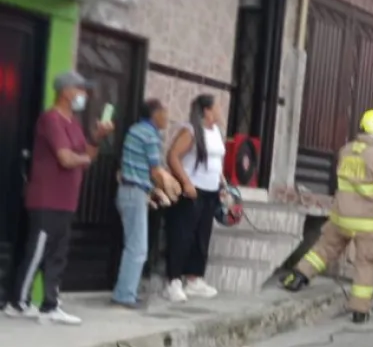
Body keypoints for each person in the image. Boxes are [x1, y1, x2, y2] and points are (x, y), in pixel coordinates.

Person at [281, 110, 373, 323]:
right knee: (367, 264)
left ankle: (298, 277)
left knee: (323, 249)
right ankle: (360, 311)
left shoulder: (346, 150)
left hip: (341, 216)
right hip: (369, 222)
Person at [2, 71, 113, 324]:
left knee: (58, 254)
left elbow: (87, 154)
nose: (84, 95)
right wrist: (84, 159)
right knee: (37, 252)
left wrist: (98, 137)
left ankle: (50, 304)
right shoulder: (51, 119)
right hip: (46, 199)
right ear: (66, 91)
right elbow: (65, 158)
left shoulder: (73, 122)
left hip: (66, 200)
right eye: (81, 89)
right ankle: (18, 303)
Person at [112, 99, 180, 308]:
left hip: (128, 191)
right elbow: (155, 171)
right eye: (165, 113)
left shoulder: (135, 130)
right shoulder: (151, 136)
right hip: (134, 193)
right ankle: (124, 295)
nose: (167, 118)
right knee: (138, 247)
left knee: (132, 245)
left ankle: (125, 291)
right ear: (155, 114)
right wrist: (172, 188)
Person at [164, 94, 226, 303]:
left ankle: (194, 279)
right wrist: (186, 183)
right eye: (217, 106)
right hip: (192, 191)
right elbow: (173, 156)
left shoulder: (216, 131)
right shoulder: (191, 130)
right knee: (183, 235)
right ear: (207, 110)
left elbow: (216, 160)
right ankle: (173, 281)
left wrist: (222, 182)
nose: (220, 110)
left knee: (202, 236)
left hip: (211, 191)